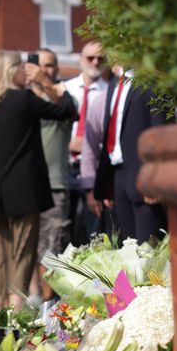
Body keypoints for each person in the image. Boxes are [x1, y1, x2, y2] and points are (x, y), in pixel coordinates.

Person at [0, 51, 76, 310]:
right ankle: (16, 317)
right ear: (12, 71)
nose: (25, 72)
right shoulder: (23, 98)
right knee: (22, 255)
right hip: (24, 193)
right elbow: (65, 111)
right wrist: (46, 83)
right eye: (22, 67)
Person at [93, 68, 170, 243]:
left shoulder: (152, 80)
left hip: (144, 179)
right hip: (120, 176)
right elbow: (112, 130)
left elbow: (160, 131)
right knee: (127, 251)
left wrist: (154, 177)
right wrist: (109, 183)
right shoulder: (115, 83)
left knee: (149, 253)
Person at [33, 49, 71, 300]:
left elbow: (68, 108)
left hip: (53, 185)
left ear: (56, 69)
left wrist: (45, 82)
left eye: (48, 66)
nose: (43, 70)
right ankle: (28, 303)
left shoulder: (64, 99)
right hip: (25, 187)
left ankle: (47, 307)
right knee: (25, 250)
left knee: (50, 248)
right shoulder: (22, 98)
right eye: (38, 65)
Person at [64, 41, 109, 244]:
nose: (95, 62)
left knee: (93, 232)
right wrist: (67, 143)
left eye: (100, 58)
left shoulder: (109, 93)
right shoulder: (66, 88)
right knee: (64, 230)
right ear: (81, 60)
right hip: (67, 166)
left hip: (95, 169)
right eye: (91, 58)